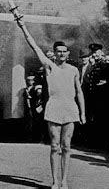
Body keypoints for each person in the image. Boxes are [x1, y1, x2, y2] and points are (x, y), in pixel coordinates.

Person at [19, 28, 85, 189]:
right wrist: (23, 27)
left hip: (70, 107)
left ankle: (64, 181)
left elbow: (79, 91)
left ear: (68, 54)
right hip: (54, 107)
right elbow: (34, 46)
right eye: (59, 51)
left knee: (67, 146)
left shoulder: (74, 70)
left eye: (64, 51)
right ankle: (55, 181)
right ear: (54, 53)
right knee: (55, 146)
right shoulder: (49, 66)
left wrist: (83, 113)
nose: (62, 54)